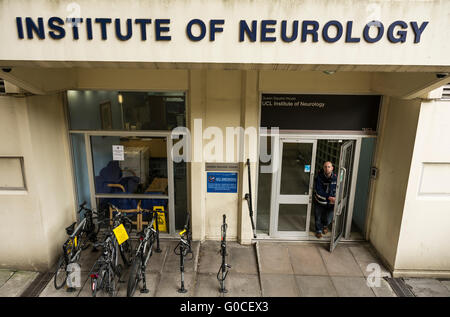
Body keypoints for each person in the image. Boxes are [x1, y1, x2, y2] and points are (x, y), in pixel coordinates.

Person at [313, 161, 337, 239]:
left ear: (332, 168)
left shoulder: (336, 178)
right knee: (318, 217)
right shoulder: (319, 177)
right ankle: (318, 231)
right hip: (320, 201)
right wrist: (329, 197)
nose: (327, 168)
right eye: (325, 167)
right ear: (323, 168)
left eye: (329, 167)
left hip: (331, 203)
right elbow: (318, 191)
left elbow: (340, 189)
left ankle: (325, 225)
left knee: (329, 218)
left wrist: (336, 198)